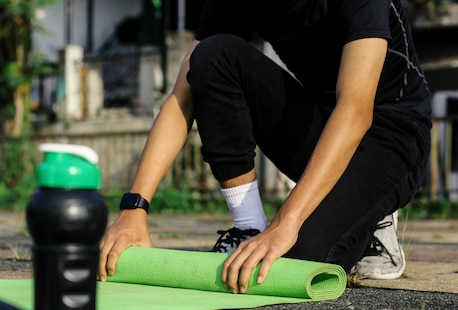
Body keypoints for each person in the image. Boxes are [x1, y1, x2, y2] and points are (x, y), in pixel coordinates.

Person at [98, 0, 431, 294]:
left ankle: (375, 216)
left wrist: (286, 222)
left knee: (296, 260)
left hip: (392, 133)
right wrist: (134, 210)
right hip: (322, 126)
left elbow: (356, 111)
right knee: (213, 55)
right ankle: (249, 226)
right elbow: (179, 99)